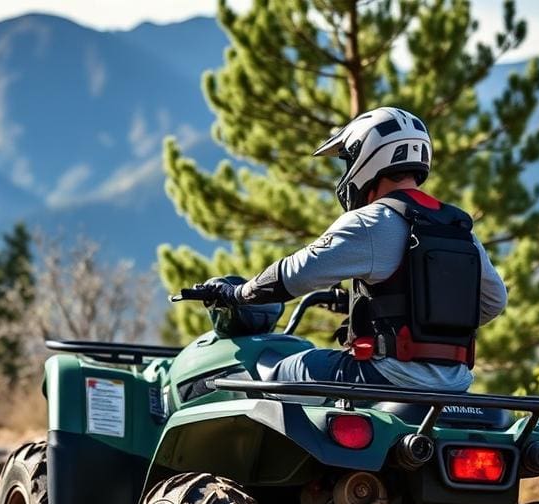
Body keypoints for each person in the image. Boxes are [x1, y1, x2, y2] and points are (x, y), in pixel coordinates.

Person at [198, 106, 507, 392]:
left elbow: (298, 275)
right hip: (455, 384)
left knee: (273, 372)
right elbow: (494, 301)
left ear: (368, 156)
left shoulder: (372, 220)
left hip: (387, 376)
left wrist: (239, 294)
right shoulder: (458, 226)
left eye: (347, 160)